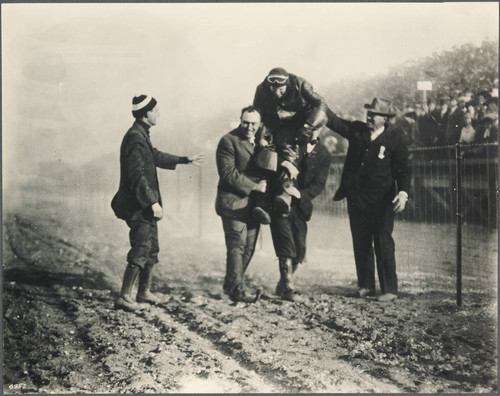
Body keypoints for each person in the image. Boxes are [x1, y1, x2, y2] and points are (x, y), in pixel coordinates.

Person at [111, 94, 204, 311]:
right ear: (146, 114)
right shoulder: (135, 137)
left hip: (143, 205)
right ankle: (125, 297)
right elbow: (136, 175)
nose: (159, 114)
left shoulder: (141, 134)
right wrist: (152, 202)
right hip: (138, 206)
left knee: (151, 248)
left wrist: (184, 159)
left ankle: (144, 292)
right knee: (141, 247)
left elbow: (155, 157)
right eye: (156, 111)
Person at [328, 98, 411, 302]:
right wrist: (315, 100)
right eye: (369, 113)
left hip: (383, 199)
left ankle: (389, 289)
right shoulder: (357, 130)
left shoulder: (396, 137)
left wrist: (403, 193)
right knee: (361, 241)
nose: (370, 117)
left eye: (375, 115)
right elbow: (333, 121)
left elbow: (403, 169)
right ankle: (365, 285)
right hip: (357, 198)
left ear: (385, 118)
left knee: (383, 241)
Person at [270, 127, 332, 301]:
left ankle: (282, 284)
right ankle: (288, 287)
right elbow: (271, 158)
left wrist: (300, 195)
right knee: (285, 246)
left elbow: (319, 184)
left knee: (299, 250)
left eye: (316, 127)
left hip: (301, 206)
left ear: (321, 129)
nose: (312, 131)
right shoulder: (291, 145)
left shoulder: (324, 154)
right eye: (308, 126)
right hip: (281, 202)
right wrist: (284, 163)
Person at [215, 106, 267, 303]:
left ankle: (230, 285)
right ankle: (238, 290)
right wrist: (255, 186)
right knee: (237, 245)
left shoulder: (263, 142)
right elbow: (228, 173)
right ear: (240, 120)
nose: (249, 127)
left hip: (253, 205)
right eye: (246, 122)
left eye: (254, 123)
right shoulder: (228, 141)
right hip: (233, 203)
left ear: (259, 124)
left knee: (249, 248)